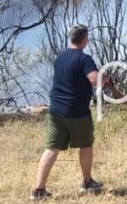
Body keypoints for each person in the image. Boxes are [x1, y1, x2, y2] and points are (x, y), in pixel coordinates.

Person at [30, 25, 106, 200]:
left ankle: (38, 190)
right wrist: (105, 77)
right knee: (86, 146)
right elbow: (95, 79)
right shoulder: (84, 59)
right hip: (77, 112)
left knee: (52, 149)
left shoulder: (60, 58)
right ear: (85, 39)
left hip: (56, 111)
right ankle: (87, 183)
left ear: (71, 38)